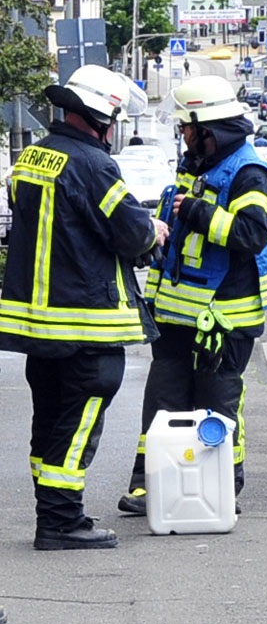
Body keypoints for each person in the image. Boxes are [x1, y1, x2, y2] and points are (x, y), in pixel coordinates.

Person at [0, 64, 170, 550]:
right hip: (87, 326)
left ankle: (53, 513)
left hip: (40, 328)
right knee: (77, 427)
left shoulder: (33, 157)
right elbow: (132, 233)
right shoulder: (95, 166)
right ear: (102, 119)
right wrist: (153, 230)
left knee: (50, 424)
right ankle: (60, 523)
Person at [118, 75, 267, 516]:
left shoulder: (249, 172)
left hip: (224, 320)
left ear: (209, 129)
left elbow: (251, 234)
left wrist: (196, 210)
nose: (184, 137)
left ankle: (222, 487)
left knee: (216, 405)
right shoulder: (197, 167)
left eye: (188, 129)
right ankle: (149, 485)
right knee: (163, 402)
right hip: (176, 316)